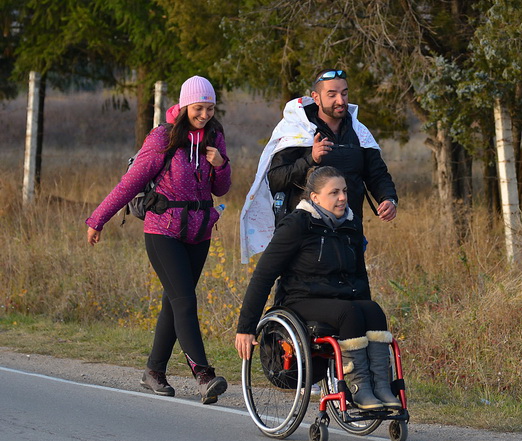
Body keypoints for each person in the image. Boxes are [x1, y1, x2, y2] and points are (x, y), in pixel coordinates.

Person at [86, 75, 231, 405]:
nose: (205, 114)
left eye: (210, 108)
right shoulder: (163, 138)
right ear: (183, 106)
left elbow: (221, 189)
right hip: (162, 231)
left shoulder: (215, 135)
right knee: (184, 301)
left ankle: (153, 372)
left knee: (175, 299)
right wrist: (98, 219)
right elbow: (130, 183)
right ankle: (204, 375)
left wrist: (221, 165)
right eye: (199, 108)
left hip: (199, 231)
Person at [235, 166, 401, 410]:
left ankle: (381, 387)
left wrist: (364, 305)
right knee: (349, 314)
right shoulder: (297, 224)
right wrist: (246, 328)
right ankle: (358, 389)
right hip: (300, 299)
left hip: (340, 299)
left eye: (344, 191)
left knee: (373, 311)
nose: (343, 197)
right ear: (315, 198)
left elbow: (359, 274)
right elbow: (263, 276)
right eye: (334, 192)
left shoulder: (350, 224)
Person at [239, 68, 398, 264]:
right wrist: (310, 159)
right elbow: (276, 179)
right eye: (332, 94)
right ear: (316, 97)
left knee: (350, 291)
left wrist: (388, 198)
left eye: (344, 93)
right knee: (299, 293)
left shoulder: (359, 132)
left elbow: (377, 174)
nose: (340, 100)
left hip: (349, 231)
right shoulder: (297, 130)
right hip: (304, 237)